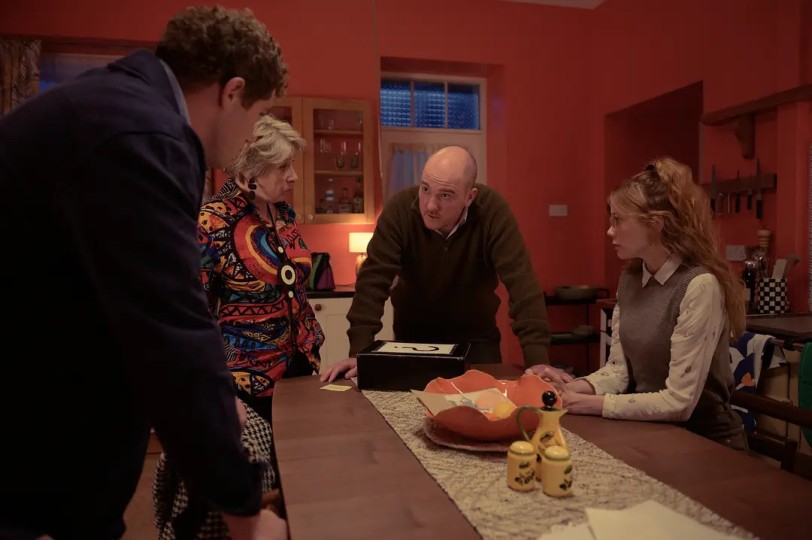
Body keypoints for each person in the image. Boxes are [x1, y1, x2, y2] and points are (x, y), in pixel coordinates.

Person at [0, 6, 290, 539]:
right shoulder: (146, 135)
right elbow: (172, 333)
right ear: (232, 92)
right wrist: (245, 512)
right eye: (258, 114)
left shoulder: (118, 107)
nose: (250, 136)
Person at [528, 157, 747, 449]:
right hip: (653, 434)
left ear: (655, 224)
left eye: (618, 220)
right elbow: (619, 372)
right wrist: (567, 388)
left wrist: (588, 403)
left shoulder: (699, 286)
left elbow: (679, 403)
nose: (610, 231)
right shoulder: (631, 278)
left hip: (707, 444)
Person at [321, 145, 551, 383]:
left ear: (469, 197)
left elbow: (522, 286)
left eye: (445, 195)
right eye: (425, 189)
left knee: (482, 402)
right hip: (412, 339)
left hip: (476, 340)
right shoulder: (400, 210)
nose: (430, 206)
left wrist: (538, 361)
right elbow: (372, 284)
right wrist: (359, 353)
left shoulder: (493, 211)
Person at [198, 115, 324, 423]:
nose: (293, 176)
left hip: (301, 368)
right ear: (249, 170)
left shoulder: (282, 213)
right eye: (283, 167)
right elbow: (196, 313)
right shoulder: (212, 222)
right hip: (247, 383)